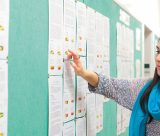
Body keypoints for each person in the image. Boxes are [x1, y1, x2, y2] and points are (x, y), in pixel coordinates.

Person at [67, 39, 160, 136]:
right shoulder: (146, 90)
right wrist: (83, 73)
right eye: (158, 51)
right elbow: (110, 85)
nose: (158, 58)